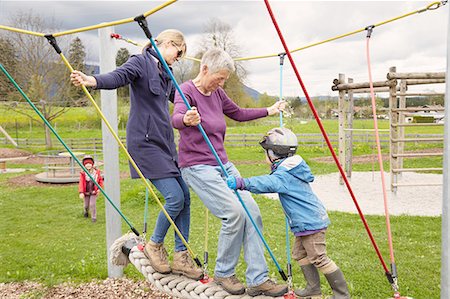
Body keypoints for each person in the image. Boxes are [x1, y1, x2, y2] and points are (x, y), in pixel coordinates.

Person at [70, 29, 203, 280]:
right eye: (179, 51)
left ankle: (181, 255)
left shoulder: (168, 73)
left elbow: (181, 100)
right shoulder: (139, 62)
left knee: (185, 195)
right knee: (174, 197)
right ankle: (154, 244)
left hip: (165, 144)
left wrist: (192, 110)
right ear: (166, 43)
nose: (179, 57)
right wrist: (92, 80)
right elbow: (119, 77)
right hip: (145, 143)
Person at [171, 48, 288, 297]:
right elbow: (177, 117)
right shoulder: (186, 90)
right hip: (197, 166)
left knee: (252, 212)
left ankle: (258, 279)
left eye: (224, 79)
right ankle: (224, 273)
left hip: (223, 164)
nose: (222, 83)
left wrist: (269, 110)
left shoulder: (217, 93)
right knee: (234, 213)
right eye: (220, 77)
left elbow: (238, 113)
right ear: (205, 69)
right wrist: (187, 120)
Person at [226, 127, 351, 299]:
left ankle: (342, 295)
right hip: (304, 223)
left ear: (273, 153)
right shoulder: (290, 168)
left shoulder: (284, 175)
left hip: (311, 223)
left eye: (266, 152)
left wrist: (241, 183)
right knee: (300, 254)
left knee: (319, 257)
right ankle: (313, 289)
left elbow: (267, 183)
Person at [79, 155, 103, 223]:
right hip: (86, 192)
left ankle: (94, 217)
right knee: (86, 205)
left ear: (92, 164)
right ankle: (86, 212)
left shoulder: (96, 173)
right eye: (86, 164)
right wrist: (81, 192)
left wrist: (99, 189)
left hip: (93, 191)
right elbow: (81, 183)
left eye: (90, 164)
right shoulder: (83, 174)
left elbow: (100, 181)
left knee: (92, 204)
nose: (88, 165)